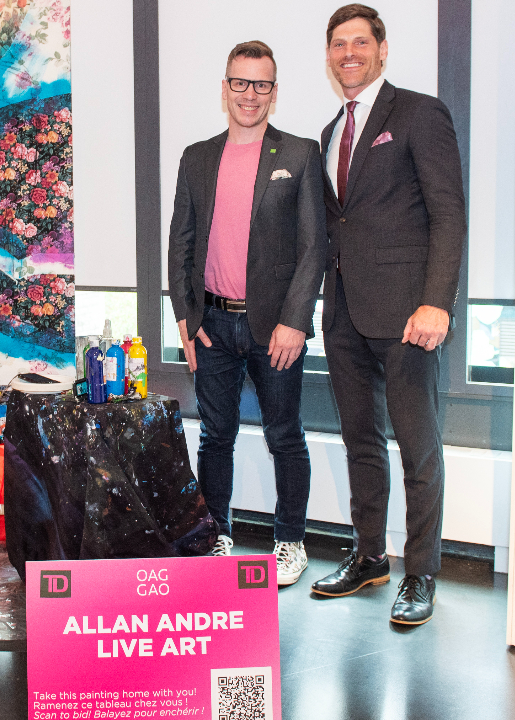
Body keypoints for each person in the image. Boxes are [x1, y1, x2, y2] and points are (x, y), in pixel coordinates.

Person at [308, 5, 466, 625]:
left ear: (381, 49)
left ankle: (421, 573)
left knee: (418, 448)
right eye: (338, 45)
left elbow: (449, 213)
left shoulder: (419, 113)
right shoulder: (328, 131)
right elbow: (338, 224)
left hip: (409, 315)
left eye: (360, 43)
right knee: (360, 443)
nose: (349, 53)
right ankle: (369, 556)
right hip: (344, 312)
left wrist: (437, 301)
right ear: (328, 56)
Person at [167, 41, 327, 585]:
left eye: (261, 84)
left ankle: (289, 542)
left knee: (285, 435)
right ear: (225, 89)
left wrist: (296, 322)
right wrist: (186, 320)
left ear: (274, 92)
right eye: (240, 83)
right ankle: (216, 534)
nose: (250, 95)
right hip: (212, 325)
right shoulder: (196, 156)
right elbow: (180, 244)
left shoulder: (301, 155)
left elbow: (314, 248)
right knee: (215, 437)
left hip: (275, 328)